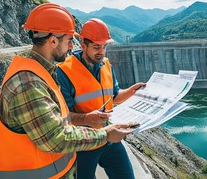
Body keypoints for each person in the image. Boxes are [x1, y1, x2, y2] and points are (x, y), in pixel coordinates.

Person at [0, 4, 134, 179]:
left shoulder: (41, 73)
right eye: (68, 41)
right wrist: (105, 134)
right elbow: (55, 138)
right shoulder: (28, 84)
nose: (70, 47)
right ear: (53, 41)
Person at [57, 18, 146, 179]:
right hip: (84, 144)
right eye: (96, 47)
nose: (102, 52)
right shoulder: (64, 71)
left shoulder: (106, 65)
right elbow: (64, 117)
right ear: (83, 45)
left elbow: (115, 96)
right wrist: (88, 119)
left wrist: (132, 91)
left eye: (104, 47)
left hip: (109, 139)